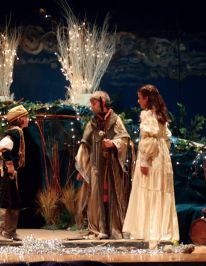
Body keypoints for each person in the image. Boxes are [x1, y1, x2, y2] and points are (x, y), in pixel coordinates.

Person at [123, 84, 179, 242]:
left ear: (146, 98)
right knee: (160, 190)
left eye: (140, 98)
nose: (138, 101)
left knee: (150, 190)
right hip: (162, 157)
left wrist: (145, 161)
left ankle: (148, 231)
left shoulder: (147, 114)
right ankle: (162, 231)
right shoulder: (160, 114)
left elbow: (149, 140)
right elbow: (165, 140)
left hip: (152, 158)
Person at [75, 91, 130, 239]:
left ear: (103, 103)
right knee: (97, 197)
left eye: (94, 104)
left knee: (111, 195)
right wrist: (81, 167)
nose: (92, 107)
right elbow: (85, 145)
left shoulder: (115, 120)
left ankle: (112, 228)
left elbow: (124, 139)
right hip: (96, 166)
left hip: (112, 166)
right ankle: (99, 228)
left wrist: (113, 143)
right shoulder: (92, 123)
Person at [0, 105, 29, 242]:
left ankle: (9, 232)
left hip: (12, 174)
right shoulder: (15, 132)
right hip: (6, 173)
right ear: (19, 119)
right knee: (3, 200)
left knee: (14, 201)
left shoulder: (17, 131)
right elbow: (3, 147)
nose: (28, 119)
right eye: (26, 117)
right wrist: (10, 165)